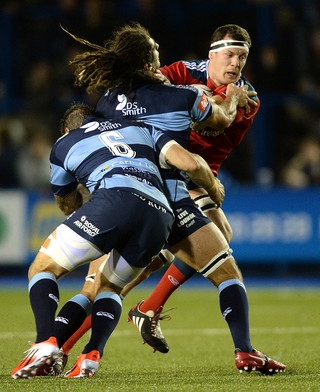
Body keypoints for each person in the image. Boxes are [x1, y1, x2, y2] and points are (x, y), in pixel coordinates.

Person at [57, 22, 286, 376]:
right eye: (229, 54)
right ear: (211, 55)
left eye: (242, 56)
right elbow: (145, 93)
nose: (236, 62)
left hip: (189, 175)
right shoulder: (180, 73)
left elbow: (215, 129)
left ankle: (86, 338)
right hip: (159, 174)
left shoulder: (248, 100)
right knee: (111, 280)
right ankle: (72, 342)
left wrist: (199, 104)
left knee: (131, 272)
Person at [11, 101, 225, 379]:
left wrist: (89, 200)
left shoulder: (66, 142)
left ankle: (44, 343)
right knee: (109, 287)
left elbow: (65, 204)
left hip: (113, 199)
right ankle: (91, 356)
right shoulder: (139, 128)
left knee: (42, 268)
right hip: (160, 214)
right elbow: (190, 161)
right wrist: (213, 187)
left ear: (66, 129)